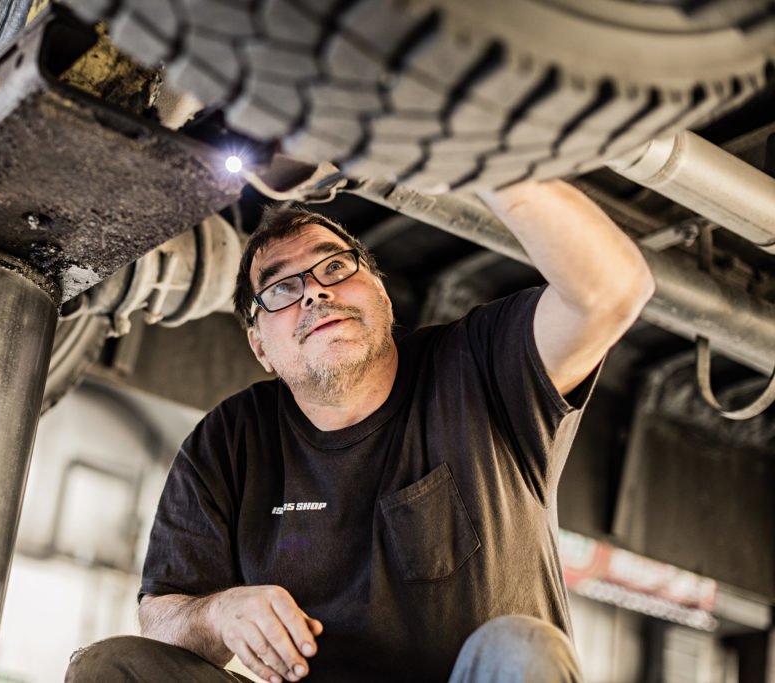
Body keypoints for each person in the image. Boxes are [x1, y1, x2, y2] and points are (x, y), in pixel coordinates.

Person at [65, 180, 655, 683]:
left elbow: (613, 292)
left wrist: (484, 159)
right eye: (280, 289)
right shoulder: (229, 441)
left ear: (381, 294)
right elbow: (162, 616)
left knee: (521, 649)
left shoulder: (477, 368)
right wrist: (219, 614)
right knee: (111, 667)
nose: (315, 292)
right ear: (259, 346)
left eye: (334, 267)